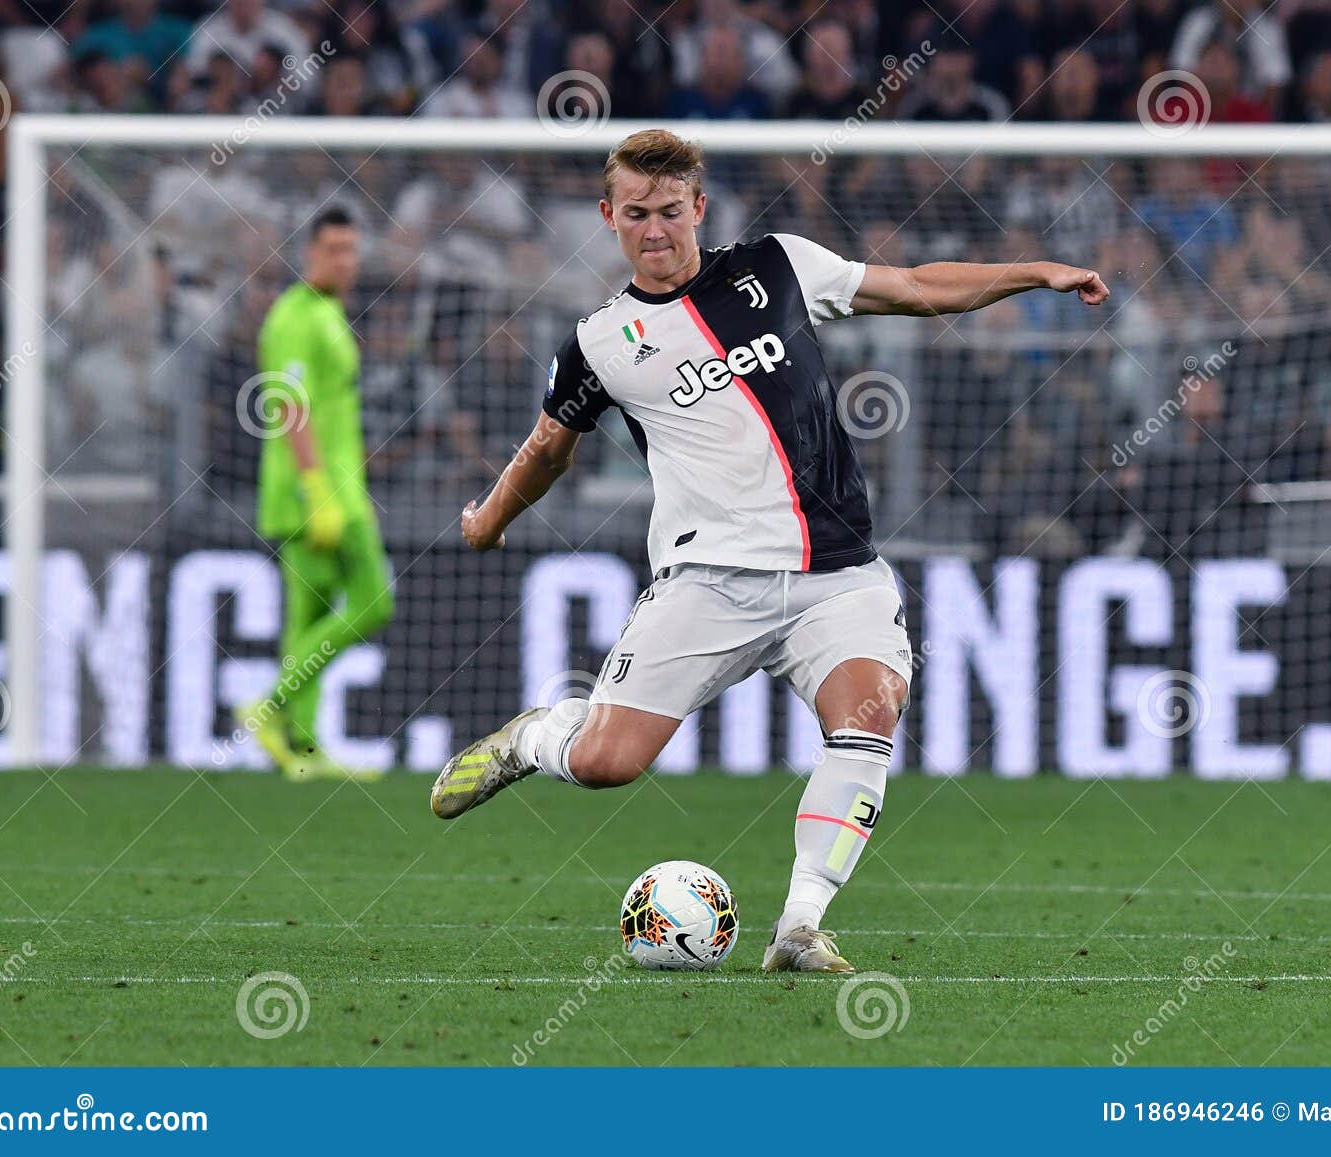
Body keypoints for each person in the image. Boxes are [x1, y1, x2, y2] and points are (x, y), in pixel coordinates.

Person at [432, 129, 1108, 973]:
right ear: (608, 217)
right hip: (707, 581)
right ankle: (535, 739)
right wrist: (490, 519)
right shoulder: (601, 343)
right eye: (636, 213)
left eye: (670, 212)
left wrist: (1033, 274)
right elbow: (546, 450)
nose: (655, 230)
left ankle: (798, 927)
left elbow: (914, 287)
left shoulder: (780, 266)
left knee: (869, 715)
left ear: (699, 208)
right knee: (607, 764)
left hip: (838, 573)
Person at [240, 207, 394, 781]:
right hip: (313, 494)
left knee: (309, 621)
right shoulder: (294, 316)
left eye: (352, 250)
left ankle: (301, 749)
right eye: (333, 250)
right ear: (309, 253)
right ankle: (271, 706)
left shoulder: (327, 312)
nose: (345, 261)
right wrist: (316, 488)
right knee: (376, 602)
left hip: (335, 489)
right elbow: (289, 405)